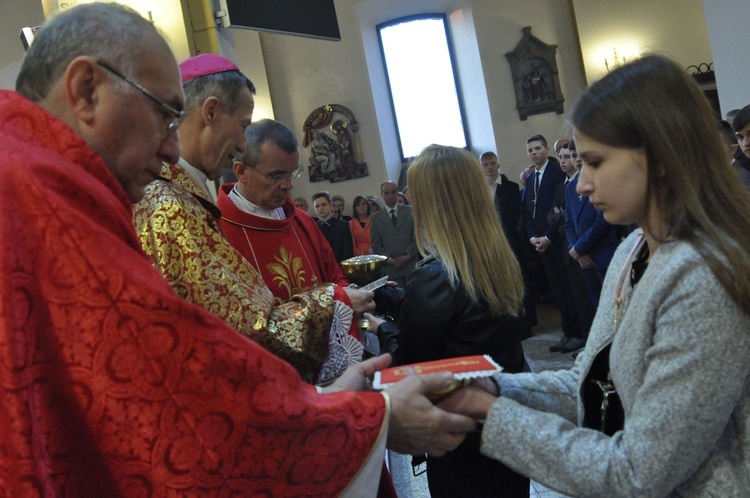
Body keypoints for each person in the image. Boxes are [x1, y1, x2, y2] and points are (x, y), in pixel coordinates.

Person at [0, 4, 478, 496]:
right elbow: (175, 392)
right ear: (85, 90)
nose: (170, 150)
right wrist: (363, 419)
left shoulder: (32, 172)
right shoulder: (42, 198)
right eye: (164, 115)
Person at [441, 54, 750, 497]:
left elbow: (638, 474)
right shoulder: (633, 249)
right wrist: (492, 386)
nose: (582, 183)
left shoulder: (706, 276)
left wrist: (489, 414)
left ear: (660, 154)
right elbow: (586, 384)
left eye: (596, 162)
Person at [133, 53, 362, 385]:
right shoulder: (170, 207)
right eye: (242, 125)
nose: (242, 143)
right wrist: (335, 301)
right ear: (210, 112)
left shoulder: (180, 196)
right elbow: (244, 335)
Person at [368, 145, 530, 497]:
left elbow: (411, 363)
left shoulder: (436, 275)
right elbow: (460, 316)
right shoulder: (492, 257)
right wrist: (392, 296)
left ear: (432, 202)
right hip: (505, 423)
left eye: (415, 193)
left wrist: (380, 327)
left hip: (459, 437)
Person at [216, 119, 369, 314]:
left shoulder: (302, 221)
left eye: (292, 173)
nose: (288, 185)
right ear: (241, 171)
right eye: (276, 176)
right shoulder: (218, 231)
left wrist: (357, 293)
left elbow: (334, 277)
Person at [523, 134, 583, 352]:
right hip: (540, 243)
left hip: (557, 241)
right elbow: (529, 213)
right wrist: (532, 237)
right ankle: (567, 332)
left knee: (569, 289)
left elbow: (558, 211)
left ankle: (577, 332)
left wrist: (548, 237)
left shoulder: (558, 172)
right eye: (530, 150)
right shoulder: (530, 179)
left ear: (547, 150)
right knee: (557, 290)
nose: (533, 153)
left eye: (537, 148)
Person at [370, 180, 418, 288]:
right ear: (382, 194)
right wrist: (391, 259)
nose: (390, 196)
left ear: (397, 192)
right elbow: (376, 245)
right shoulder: (375, 218)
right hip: (391, 269)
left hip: (411, 265)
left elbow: (417, 237)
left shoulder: (410, 211)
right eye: (387, 193)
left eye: (393, 192)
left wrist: (408, 255)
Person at [313, 191, 354, 263]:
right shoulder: (312, 228)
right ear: (314, 209)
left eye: (323, 205)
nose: (320, 208)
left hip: (340, 267)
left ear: (331, 206)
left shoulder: (343, 226)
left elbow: (348, 252)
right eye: (317, 206)